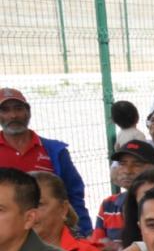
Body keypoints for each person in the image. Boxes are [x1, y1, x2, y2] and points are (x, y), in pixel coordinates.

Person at [0, 89, 91, 236]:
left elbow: (74, 194)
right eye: (5, 110)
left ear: (28, 112)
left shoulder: (54, 151)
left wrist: (85, 232)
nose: (13, 115)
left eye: (18, 108)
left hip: (50, 235)